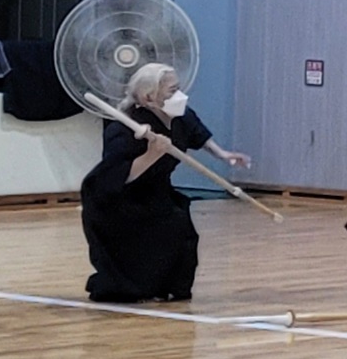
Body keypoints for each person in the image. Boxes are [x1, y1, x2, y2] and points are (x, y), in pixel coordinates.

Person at [80, 62, 248, 304]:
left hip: (155, 190)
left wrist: (223, 154)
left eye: (178, 88)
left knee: (182, 231)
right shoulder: (123, 129)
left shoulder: (180, 116)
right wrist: (152, 154)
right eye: (172, 90)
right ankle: (130, 287)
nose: (180, 95)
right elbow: (119, 177)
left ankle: (169, 288)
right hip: (116, 200)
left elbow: (198, 134)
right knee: (153, 236)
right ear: (149, 97)